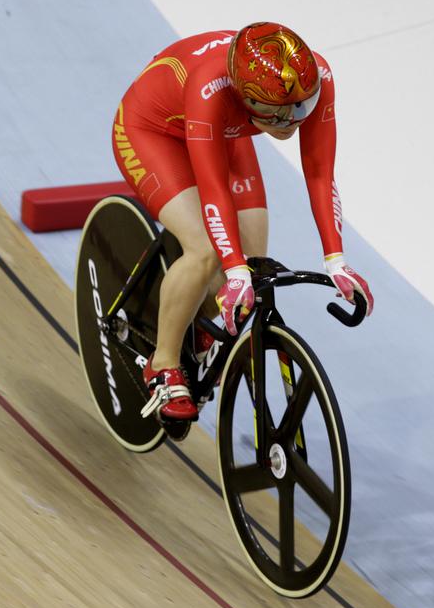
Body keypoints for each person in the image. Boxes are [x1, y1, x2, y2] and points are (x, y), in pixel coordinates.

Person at [111, 22, 374, 422]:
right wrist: (230, 268)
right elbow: (215, 190)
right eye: (281, 114)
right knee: (205, 251)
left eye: (302, 106)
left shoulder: (313, 78)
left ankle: (195, 324)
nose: (294, 120)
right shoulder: (209, 88)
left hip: (225, 131)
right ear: (249, 100)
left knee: (253, 258)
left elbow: (320, 173)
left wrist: (336, 260)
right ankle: (162, 364)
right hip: (153, 129)